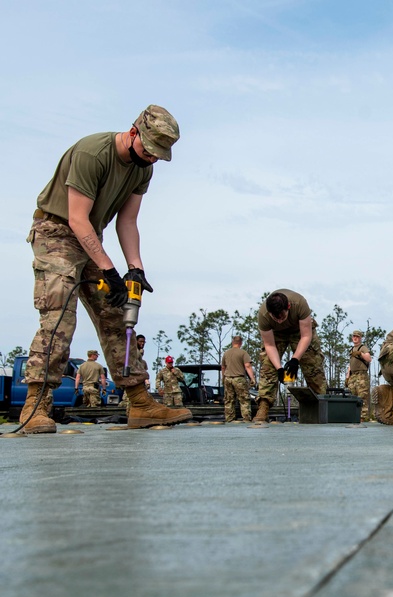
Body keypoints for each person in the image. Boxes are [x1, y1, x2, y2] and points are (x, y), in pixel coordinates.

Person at [21, 105, 192, 433]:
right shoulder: (92, 153)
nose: (152, 159)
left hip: (90, 242)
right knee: (59, 315)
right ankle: (36, 405)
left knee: (115, 312)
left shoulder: (143, 169)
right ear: (132, 133)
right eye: (148, 150)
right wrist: (109, 270)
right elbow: (76, 219)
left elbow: (127, 221)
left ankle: (140, 403)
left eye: (158, 155)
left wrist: (134, 269)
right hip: (56, 234)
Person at [253, 289, 327, 423]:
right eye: (275, 318)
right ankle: (263, 406)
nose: (280, 321)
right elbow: (269, 345)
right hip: (276, 334)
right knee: (267, 366)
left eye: (282, 316)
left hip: (300, 331)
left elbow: (306, 336)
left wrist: (295, 360)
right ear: (270, 313)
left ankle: (322, 404)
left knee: (313, 365)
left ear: (288, 307)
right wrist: (279, 369)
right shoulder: (263, 315)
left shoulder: (300, 304)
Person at [221, 335, 256, 423]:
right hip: (239, 379)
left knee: (229, 400)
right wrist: (252, 378)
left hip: (228, 379)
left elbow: (223, 367)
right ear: (240, 343)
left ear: (233, 343)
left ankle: (229, 419)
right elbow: (247, 366)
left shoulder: (226, 353)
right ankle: (246, 419)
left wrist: (223, 377)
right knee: (244, 399)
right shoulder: (243, 353)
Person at [345, 329, 372, 421]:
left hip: (361, 375)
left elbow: (369, 359)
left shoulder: (362, 348)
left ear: (360, 338)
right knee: (351, 396)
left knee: (362, 396)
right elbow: (350, 364)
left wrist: (361, 354)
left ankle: (363, 417)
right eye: (354, 336)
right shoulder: (352, 349)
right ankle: (353, 415)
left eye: (357, 336)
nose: (355, 338)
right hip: (353, 375)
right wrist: (348, 376)